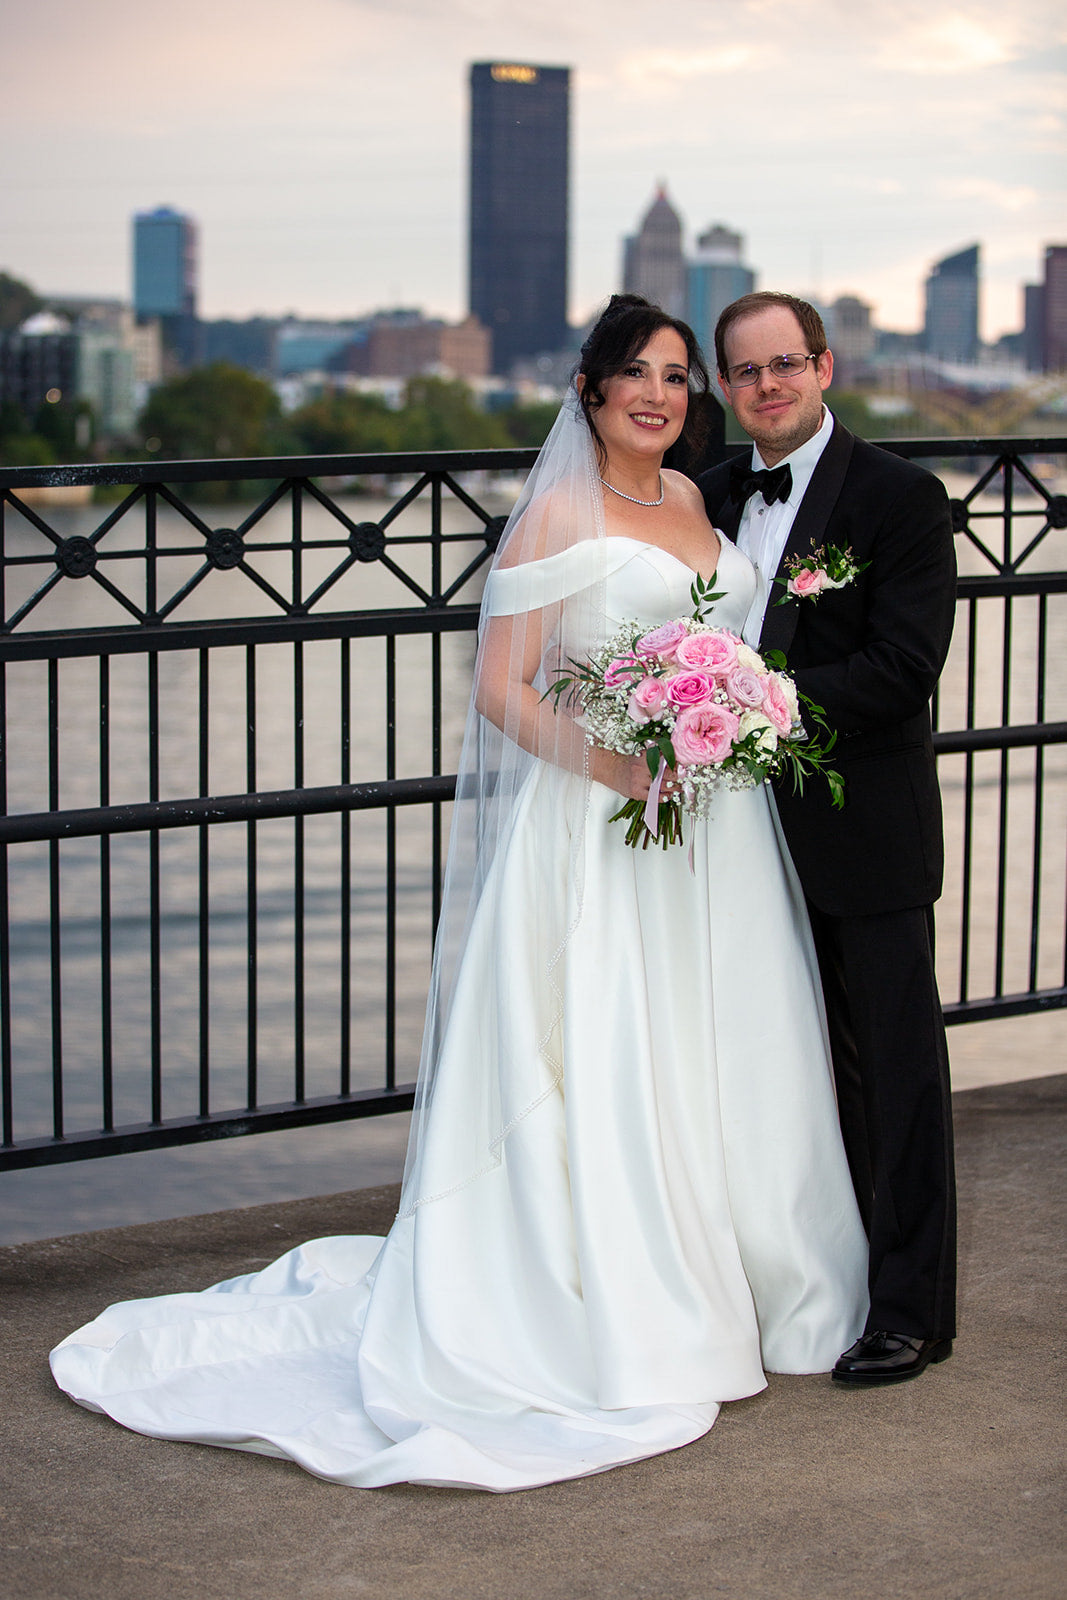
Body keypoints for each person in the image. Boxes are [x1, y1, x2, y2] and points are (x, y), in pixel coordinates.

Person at [50, 296, 868, 1492]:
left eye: (678, 376)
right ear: (588, 389)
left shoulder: (696, 502)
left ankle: (747, 1267)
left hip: (714, 831)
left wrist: (722, 724)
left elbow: (727, 646)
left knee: (711, 1045)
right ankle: (611, 1293)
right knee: (604, 1046)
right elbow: (501, 685)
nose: (659, 393)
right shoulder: (552, 512)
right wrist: (623, 763)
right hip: (601, 820)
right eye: (635, 373)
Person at [696, 291, 957, 1385]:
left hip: (859, 828)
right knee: (764, 1068)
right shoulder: (698, 493)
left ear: (823, 366)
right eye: (745, 371)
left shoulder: (900, 496)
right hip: (729, 839)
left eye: (785, 364)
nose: (767, 386)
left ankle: (910, 1309)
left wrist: (755, 701)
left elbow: (902, 671)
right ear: (723, 387)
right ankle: (791, 1282)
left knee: (885, 1069)